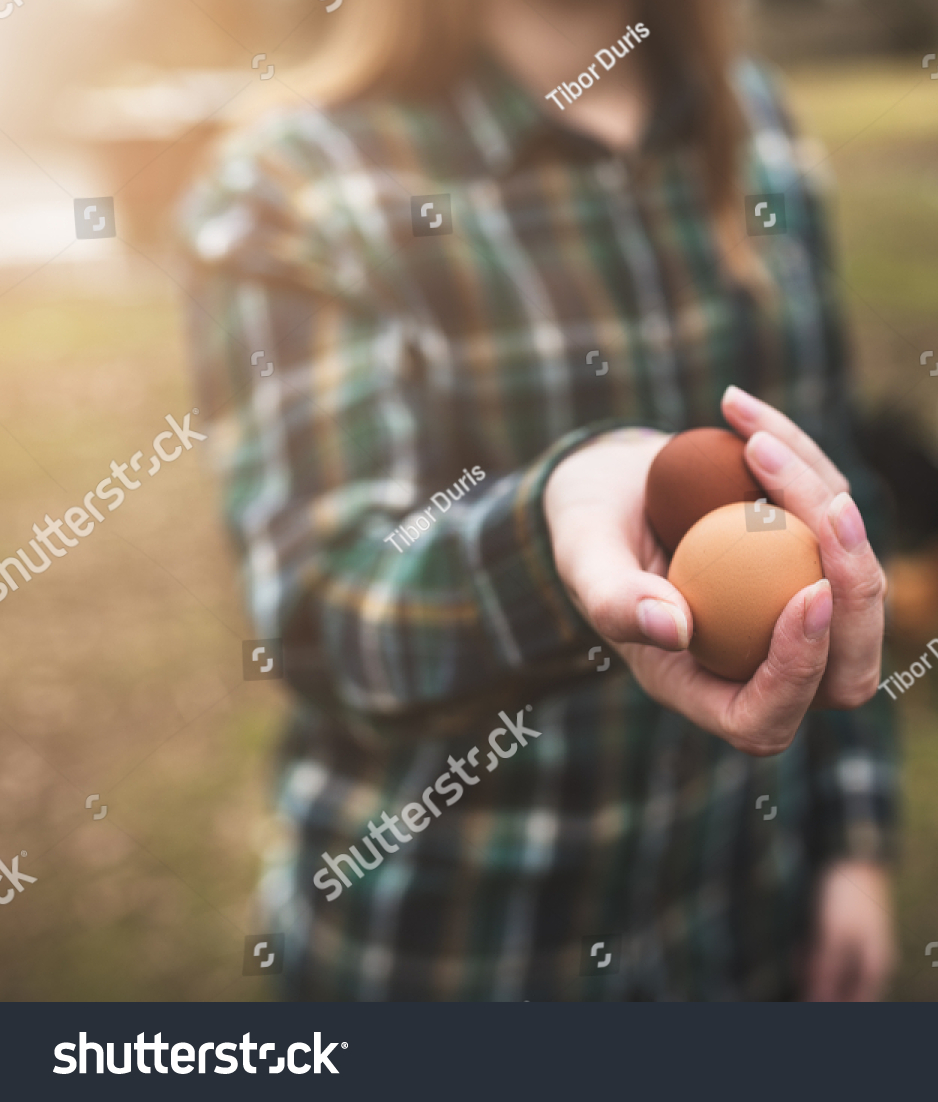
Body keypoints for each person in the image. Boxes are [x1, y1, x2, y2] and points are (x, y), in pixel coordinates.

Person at [179, 0, 896, 1001]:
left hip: (738, 917)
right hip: (459, 950)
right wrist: (549, 530)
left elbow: (833, 511)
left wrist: (852, 837)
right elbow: (319, 611)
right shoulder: (292, 185)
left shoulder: (756, 128)